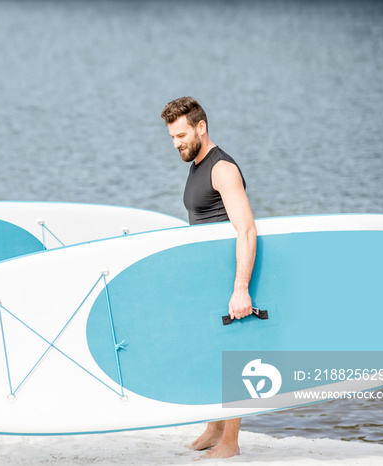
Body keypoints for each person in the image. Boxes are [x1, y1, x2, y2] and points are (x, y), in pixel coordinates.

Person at [161, 97, 257, 459]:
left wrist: (241, 288)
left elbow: (246, 230)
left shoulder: (222, 169)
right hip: (207, 279)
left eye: (181, 135)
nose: (176, 143)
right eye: (172, 137)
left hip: (228, 277)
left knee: (232, 355)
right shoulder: (196, 164)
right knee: (209, 353)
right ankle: (214, 429)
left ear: (202, 127)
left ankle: (230, 443)